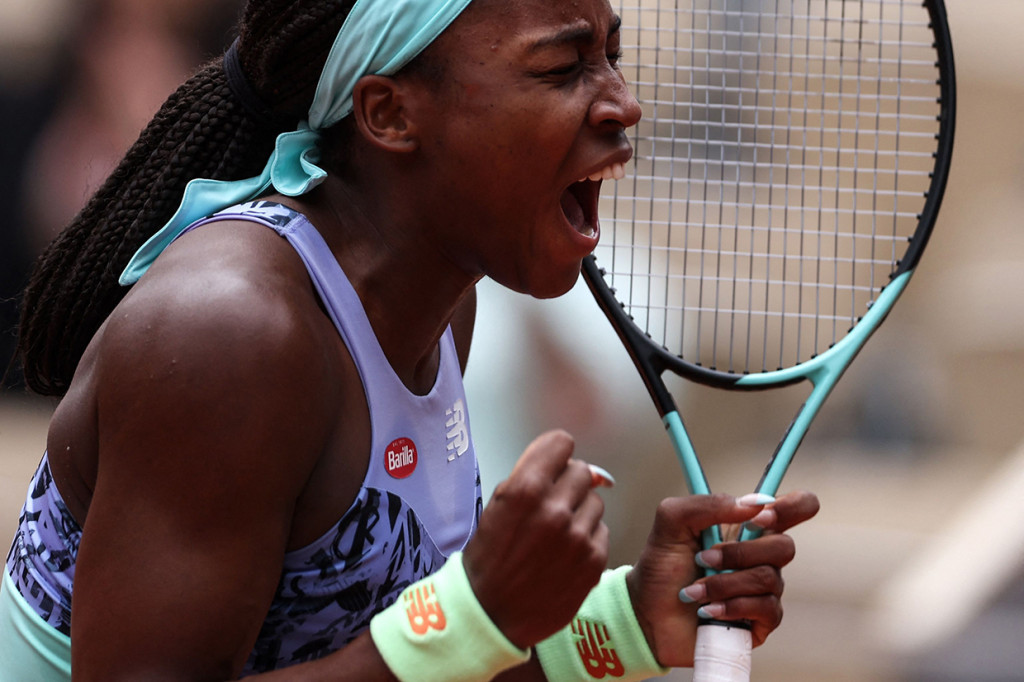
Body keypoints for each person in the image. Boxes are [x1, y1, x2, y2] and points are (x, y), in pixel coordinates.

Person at [3, 0, 820, 679]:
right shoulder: (234, 334)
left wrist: (634, 616)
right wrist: (470, 615)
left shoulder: (437, 306)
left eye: (611, 55)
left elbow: (414, 660)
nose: (622, 102)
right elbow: (429, 650)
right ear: (390, 113)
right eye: (563, 69)